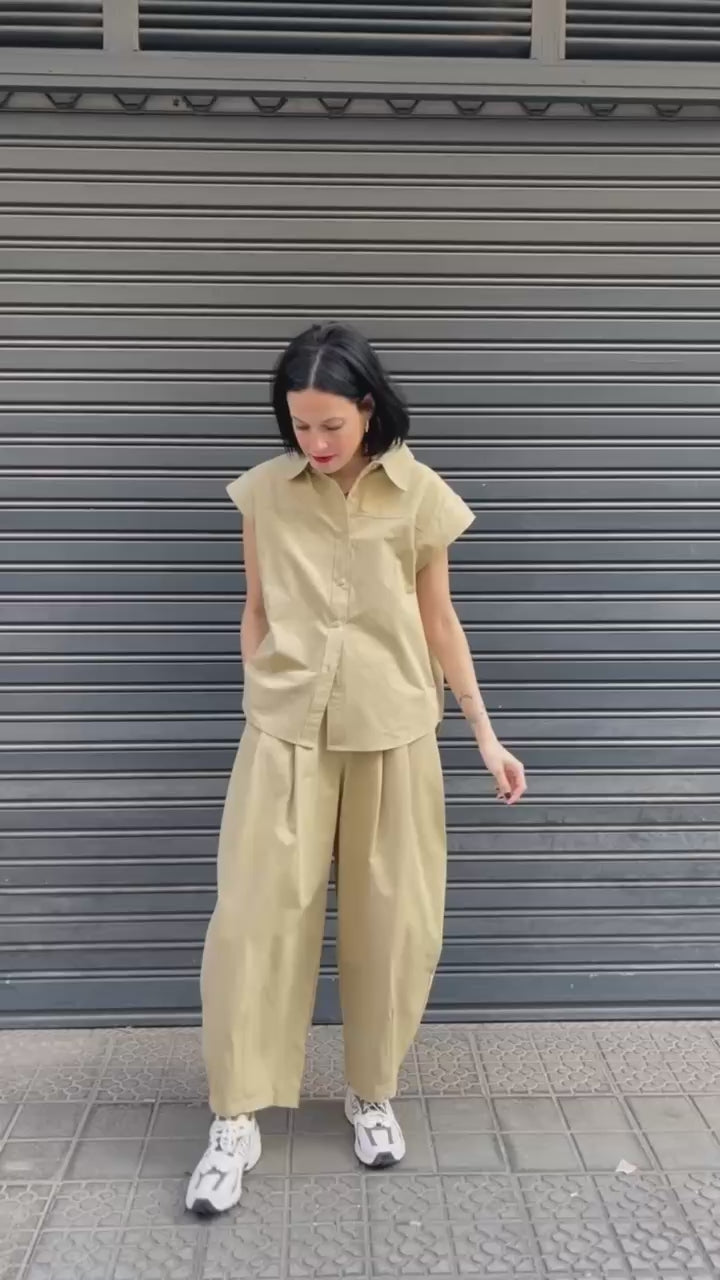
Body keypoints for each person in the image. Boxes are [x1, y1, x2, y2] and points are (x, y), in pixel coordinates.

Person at [186, 322, 526, 1216]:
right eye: (300, 425)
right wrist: (262, 693)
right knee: (252, 924)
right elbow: (255, 609)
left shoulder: (420, 496)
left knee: (395, 926)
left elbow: (439, 620)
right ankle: (235, 1117)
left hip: (396, 732)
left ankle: (371, 1093)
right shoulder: (264, 493)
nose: (316, 441)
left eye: (331, 424)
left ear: (367, 408)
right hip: (285, 735)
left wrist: (486, 735)